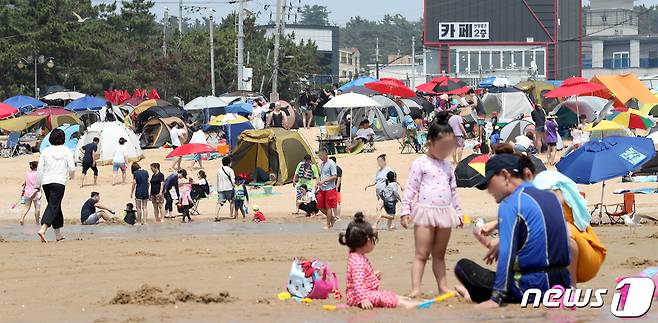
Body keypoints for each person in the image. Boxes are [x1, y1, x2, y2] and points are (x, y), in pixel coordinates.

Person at [454, 154, 571, 307]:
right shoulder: (551, 197)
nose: (488, 190)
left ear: (505, 175)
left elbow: (506, 255)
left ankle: (476, 296)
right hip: (560, 285)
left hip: (530, 288)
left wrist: (496, 298)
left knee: (463, 267)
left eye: (490, 182)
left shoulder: (510, 204)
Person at [400, 122, 463, 298]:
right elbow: (410, 188)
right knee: (421, 253)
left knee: (439, 254)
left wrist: (458, 214)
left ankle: (442, 287)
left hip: (445, 211)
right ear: (430, 142)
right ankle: (415, 288)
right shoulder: (420, 163)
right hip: (425, 212)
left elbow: (453, 192)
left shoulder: (448, 166)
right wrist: (405, 211)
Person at [340, 212, 420, 309]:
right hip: (357, 297)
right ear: (367, 240)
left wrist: (373, 276)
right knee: (381, 297)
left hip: (363, 293)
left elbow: (361, 277)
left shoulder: (357, 256)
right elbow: (358, 283)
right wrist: (363, 299)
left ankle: (401, 299)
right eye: (373, 240)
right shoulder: (357, 261)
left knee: (385, 294)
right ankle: (404, 304)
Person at [36, 128, 76, 243]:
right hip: (59, 182)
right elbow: (72, 168)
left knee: (55, 206)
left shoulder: (45, 151)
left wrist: (37, 185)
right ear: (63, 139)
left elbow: (40, 170)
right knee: (53, 206)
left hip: (46, 183)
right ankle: (43, 228)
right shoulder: (66, 150)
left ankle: (58, 235)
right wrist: (71, 176)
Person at [316, 148, 338, 229]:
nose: (320, 157)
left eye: (321, 155)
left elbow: (334, 176)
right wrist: (318, 183)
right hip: (322, 188)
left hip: (330, 189)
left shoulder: (331, 163)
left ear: (326, 154)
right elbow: (321, 175)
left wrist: (324, 181)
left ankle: (328, 224)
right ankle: (332, 218)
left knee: (328, 207)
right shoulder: (321, 164)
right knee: (320, 206)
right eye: (319, 156)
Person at [19, 161, 41, 225]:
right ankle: (37, 222)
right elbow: (39, 184)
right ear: (36, 167)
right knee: (37, 208)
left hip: (27, 192)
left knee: (26, 207)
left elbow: (25, 183)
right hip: (34, 193)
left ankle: (22, 219)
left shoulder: (27, 173)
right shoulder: (37, 174)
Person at [215, 156, 235, 221]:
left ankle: (216, 215)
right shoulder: (230, 170)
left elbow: (217, 180)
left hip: (220, 188)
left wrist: (218, 189)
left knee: (220, 202)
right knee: (232, 201)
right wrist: (234, 186)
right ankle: (231, 215)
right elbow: (233, 180)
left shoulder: (218, 170)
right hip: (229, 188)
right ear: (230, 163)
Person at [329, 156, 343, 221]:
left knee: (337, 202)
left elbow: (339, 179)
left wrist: (337, 187)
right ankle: (334, 216)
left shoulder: (338, 169)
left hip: (336, 188)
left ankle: (338, 216)